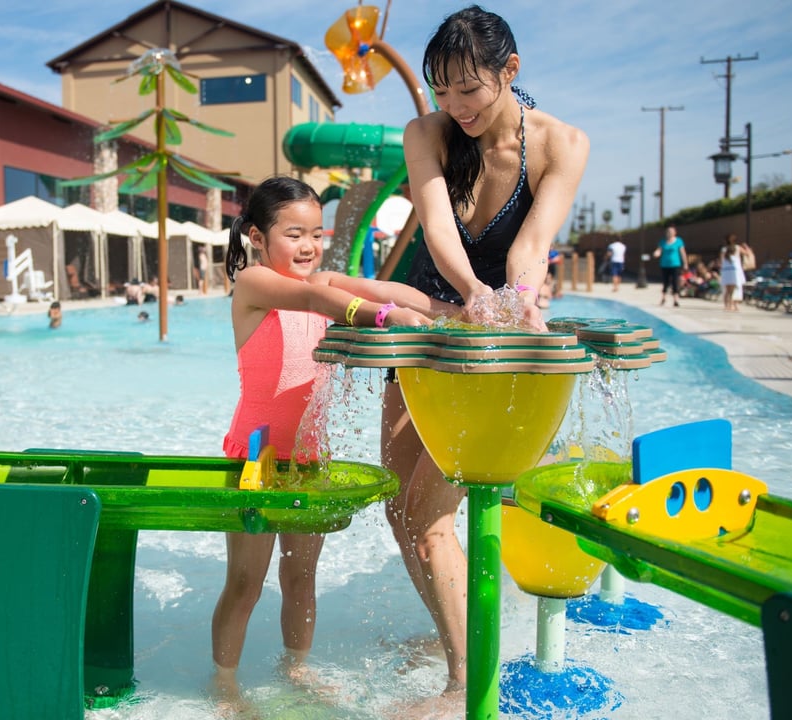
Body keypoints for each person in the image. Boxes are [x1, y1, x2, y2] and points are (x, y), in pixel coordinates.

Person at [387, 5, 588, 707]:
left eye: (469, 89)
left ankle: (466, 681)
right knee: (400, 508)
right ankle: (454, 632)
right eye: (442, 90)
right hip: (426, 321)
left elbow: (531, 245)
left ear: (511, 70)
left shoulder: (562, 144)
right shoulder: (427, 134)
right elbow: (438, 231)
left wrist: (513, 301)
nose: (456, 106)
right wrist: (472, 292)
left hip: (498, 335)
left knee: (430, 516)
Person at [213, 175, 459, 705]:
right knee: (246, 583)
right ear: (257, 237)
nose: (308, 246)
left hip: (309, 460)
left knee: (302, 576)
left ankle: (295, 669)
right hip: (256, 460)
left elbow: (387, 290)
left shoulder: (324, 279)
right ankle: (225, 686)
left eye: (316, 235)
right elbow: (315, 298)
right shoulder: (254, 283)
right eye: (294, 234)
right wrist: (385, 318)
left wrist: (456, 315)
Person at [652, 225, 687, 307]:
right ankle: (663, 298)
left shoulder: (678, 241)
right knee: (665, 282)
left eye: (671, 231)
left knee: (675, 282)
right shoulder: (663, 242)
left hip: (675, 264)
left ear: (675, 232)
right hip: (664, 265)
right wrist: (656, 253)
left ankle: (676, 300)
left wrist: (685, 263)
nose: (669, 233)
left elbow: (682, 253)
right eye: (668, 231)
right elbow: (659, 250)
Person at [719, 235, 746, 312]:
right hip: (734, 271)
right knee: (733, 290)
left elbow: (721, 260)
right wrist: (746, 247)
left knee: (727, 290)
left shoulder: (724, 249)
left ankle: (727, 306)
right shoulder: (737, 248)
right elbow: (747, 253)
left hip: (726, 271)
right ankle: (732, 305)